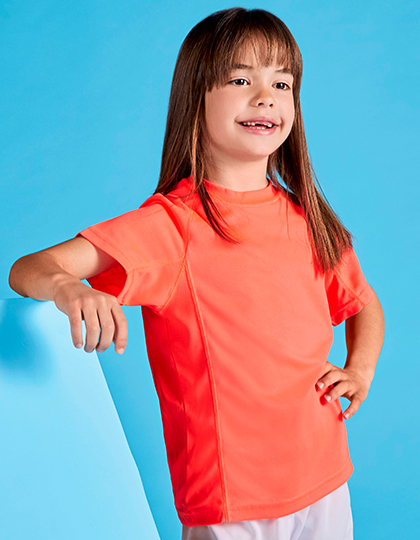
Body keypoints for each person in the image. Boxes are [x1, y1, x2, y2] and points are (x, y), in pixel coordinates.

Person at [9, 7, 385, 540]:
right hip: (232, 500)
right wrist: (69, 288)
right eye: (241, 80)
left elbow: (363, 302)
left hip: (325, 476)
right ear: (196, 96)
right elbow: (29, 268)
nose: (266, 97)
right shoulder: (169, 227)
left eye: (282, 83)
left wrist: (360, 370)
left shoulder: (307, 219)